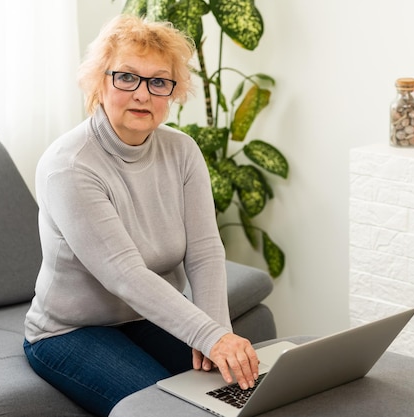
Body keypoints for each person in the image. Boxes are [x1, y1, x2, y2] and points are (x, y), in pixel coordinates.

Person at [23, 14, 260, 417]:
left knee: (243, 395)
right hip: (69, 332)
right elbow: (123, 274)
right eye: (127, 77)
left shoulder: (182, 151)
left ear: (173, 91)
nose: (142, 94)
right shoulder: (70, 166)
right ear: (100, 81)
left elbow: (204, 251)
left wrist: (216, 334)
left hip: (145, 318)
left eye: (158, 81)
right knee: (171, 411)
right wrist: (208, 336)